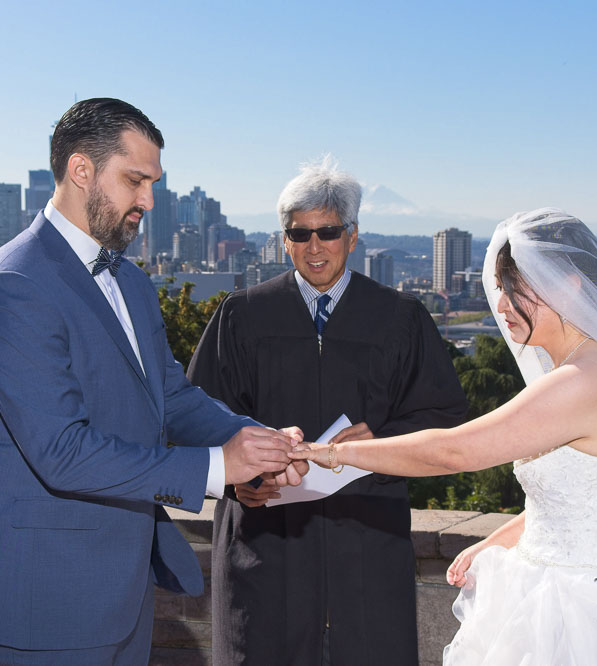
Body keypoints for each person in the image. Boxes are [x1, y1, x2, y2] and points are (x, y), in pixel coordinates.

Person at [0, 98, 302, 665]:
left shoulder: (133, 284)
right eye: (135, 180)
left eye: (153, 184)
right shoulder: (14, 284)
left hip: (120, 594)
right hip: (38, 600)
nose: (148, 200)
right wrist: (221, 467)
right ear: (81, 170)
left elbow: (169, 396)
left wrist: (260, 441)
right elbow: (60, 452)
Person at [292, 209, 597, 665]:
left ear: (568, 284)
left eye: (517, 292)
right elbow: (578, 500)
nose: (503, 307)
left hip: (594, 617)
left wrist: (334, 453)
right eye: (499, 292)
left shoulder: (586, 379)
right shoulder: (577, 370)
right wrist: (496, 541)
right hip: (547, 592)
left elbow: (456, 450)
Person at [186, 158, 468, 665]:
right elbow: (196, 417)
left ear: (353, 236)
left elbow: (444, 417)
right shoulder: (242, 316)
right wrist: (235, 481)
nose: (314, 247)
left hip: (366, 540)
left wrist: (378, 440)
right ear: (284, 239)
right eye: (300, 234)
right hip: (265, 546)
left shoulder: (400, 320)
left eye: (329, 232)